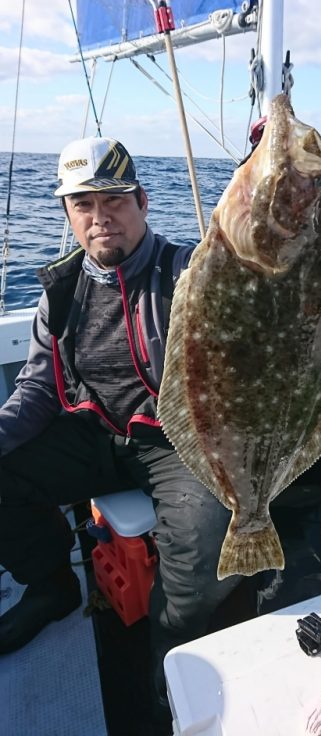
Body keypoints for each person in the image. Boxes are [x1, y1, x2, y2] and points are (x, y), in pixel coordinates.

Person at [0, 136, 241, 733]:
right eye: (83, 204)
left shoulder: (191, 272)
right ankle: (51, 586)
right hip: (93, 430)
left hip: (176, 439)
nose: (100, 217)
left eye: (114, 200)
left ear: (142, 202)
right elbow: (38, 390)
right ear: (68, 214)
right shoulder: (60, 290)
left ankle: (172, 649)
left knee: (204, 539)